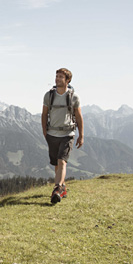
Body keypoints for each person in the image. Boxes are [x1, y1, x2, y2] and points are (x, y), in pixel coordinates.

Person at [41, 68, 84, 204]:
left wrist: (81, 135)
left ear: (67, 80)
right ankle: (62, 186)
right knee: (56, 164)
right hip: (52, 134)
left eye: (60, 77)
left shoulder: (73, 97)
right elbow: (44, 114)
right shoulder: (49, 96)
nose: (57, 79)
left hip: (68, 133)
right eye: (56, 76)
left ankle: (57, 188)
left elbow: (78, 116)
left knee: (62, 161)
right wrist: (44, 131)